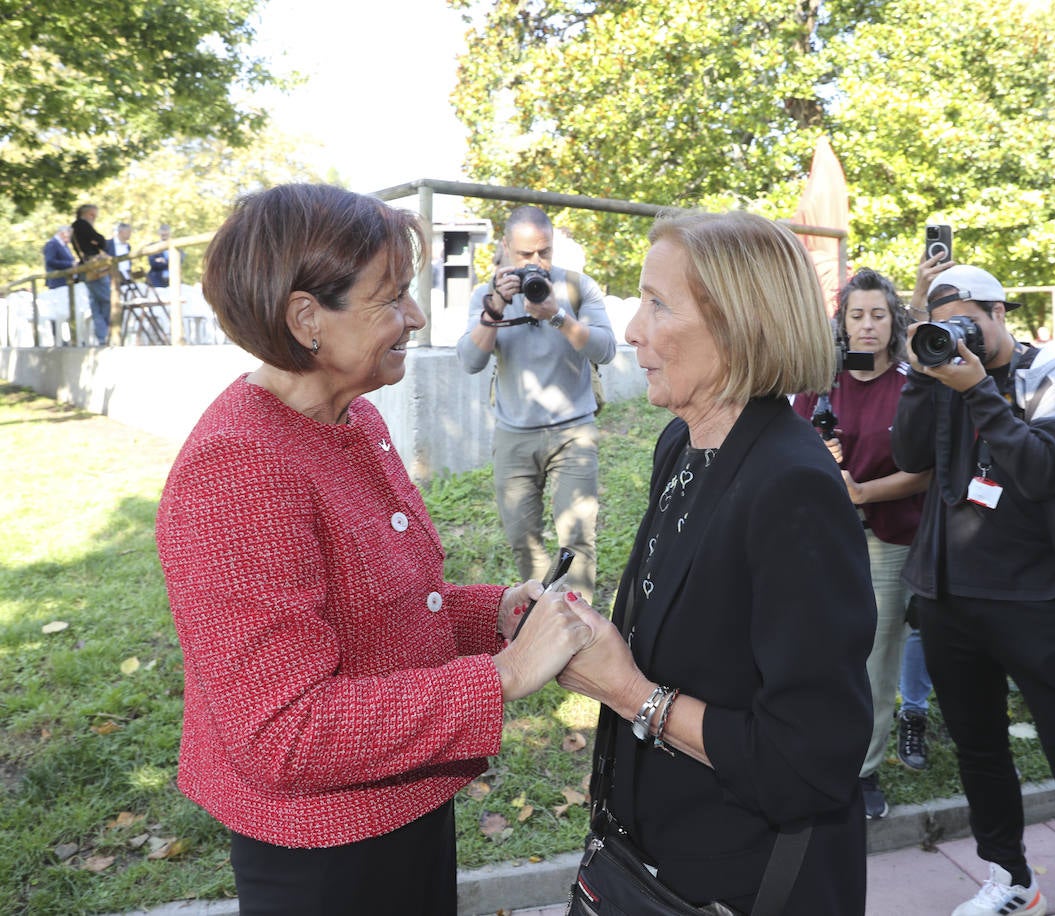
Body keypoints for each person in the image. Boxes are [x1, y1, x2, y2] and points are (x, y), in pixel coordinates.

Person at [155, 184, 598, 915]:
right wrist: (503, 677)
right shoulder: (237, 468)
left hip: (406, 809)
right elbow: (284, 732)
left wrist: (495, 614)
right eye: (392, 298)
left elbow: (383, 612)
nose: (416, 317)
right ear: (307, 319)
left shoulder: (353, 419)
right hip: (326, 858)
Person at [555, 210, 876, 913]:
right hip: (653, 855)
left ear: (739, 325)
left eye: (656, 303)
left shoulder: (791, 487)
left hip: (739, 879)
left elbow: (810, 761)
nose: (633, 330)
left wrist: (629, 694)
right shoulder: (683, 445)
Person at [893, 264, 1055, 916]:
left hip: (1039, 604)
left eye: (969, 320)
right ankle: (1011, 879)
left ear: (1000, 312)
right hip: (954, 602)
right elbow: (908, 457)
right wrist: (924, 377)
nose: (958, 334)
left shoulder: (1051, 373)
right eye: (944, 321)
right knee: (981, 752)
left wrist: (979, 388)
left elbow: (1040, 471)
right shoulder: (939, 373)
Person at [791, 267, 930, 819]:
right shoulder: (822, 381)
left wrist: (861, 491)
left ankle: (863, 771)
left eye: (877, 314)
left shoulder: (909, 383)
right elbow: (792, 450)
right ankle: (812, 751)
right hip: (822, 540)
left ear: (892, 320)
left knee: (874, 657)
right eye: (857, 315)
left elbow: (923, 470)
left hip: (888, 537)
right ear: (841, 323)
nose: (867, 325)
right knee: (817, 650)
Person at [456, 205, 615, 599]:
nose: (536, 263)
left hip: (572, 431)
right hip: (514, 435)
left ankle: (579, 631)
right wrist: (492, 311)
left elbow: (607, 349)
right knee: (521, 538)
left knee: (577, 537)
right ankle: (549, 612)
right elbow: (470, 362)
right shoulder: (485, 295)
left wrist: (558, 315)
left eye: (543, 252)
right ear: (507, 248)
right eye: (525, 255)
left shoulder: (578, 287)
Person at [70, 204, 111, 345]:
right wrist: (98, 241)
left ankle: (102, 336)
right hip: (94, 267)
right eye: (92, 215)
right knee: (105, 299)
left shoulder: (75, 228)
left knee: (95, 302)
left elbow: (98, 241)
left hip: (87, 266)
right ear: (85, 214)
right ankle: (107, 334)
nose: (94, 218)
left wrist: (98, 241)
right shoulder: (81, 225)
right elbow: (100, 241)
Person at [147, 223, 176, 288]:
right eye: (163, 234)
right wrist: (170, 262)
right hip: (157, 281)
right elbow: (153, 263)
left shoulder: (176, 245)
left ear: (170, 234)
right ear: (159, 234)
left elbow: (179, 261)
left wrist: (164, 261)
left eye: (166, 234)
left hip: (174, 281)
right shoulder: (152, 246)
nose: (164, 236)